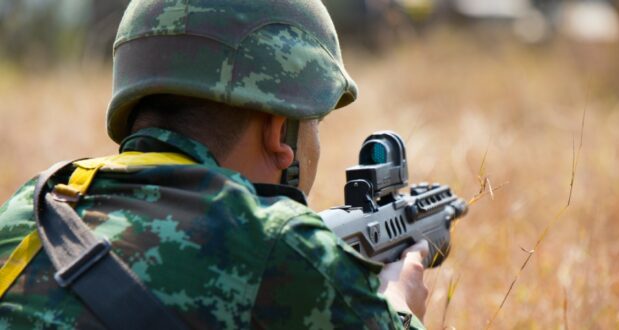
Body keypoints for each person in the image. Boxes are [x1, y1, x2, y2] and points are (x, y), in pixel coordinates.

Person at [0, 0, 429, 328]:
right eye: (314, 123)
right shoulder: (275, 240)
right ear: (280, 134)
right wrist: (402, 306)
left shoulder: (34, 203)